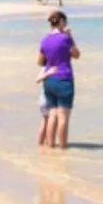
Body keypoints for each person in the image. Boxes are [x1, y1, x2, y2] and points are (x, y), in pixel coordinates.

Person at [37, 11, 79, 149]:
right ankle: (63, 149)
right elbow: (77, 54)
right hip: (64, 79)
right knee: (63, 117)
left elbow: (40, 61)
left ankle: (50, 147)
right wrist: (70, 36)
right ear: (61, 21)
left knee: (53, 115)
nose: (66, 25)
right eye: (65, 22)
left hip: (49, 80)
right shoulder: (65, 38)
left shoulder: (44, 40)